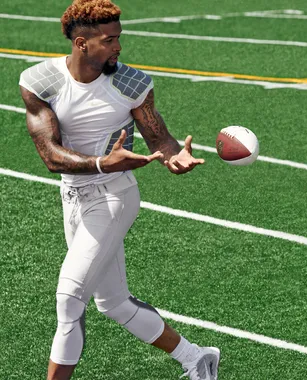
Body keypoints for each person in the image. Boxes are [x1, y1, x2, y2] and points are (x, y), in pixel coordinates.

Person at [19, 1, 219, 379]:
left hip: (114, 197)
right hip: (74, 196)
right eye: (109, 41)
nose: (118, 48)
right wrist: (99, 162)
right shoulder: (40, 82)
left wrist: (176, 156)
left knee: (69, 301)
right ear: (81, 43)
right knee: (113, 303)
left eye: (118, 38)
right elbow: (51, 156)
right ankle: (197, 358)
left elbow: (159, 138)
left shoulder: (133, 83)